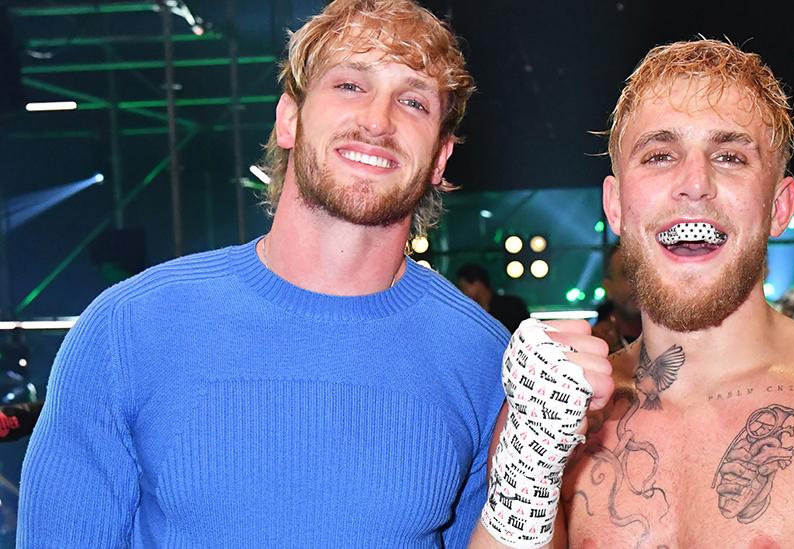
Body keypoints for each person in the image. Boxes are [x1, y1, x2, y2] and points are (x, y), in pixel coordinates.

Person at [19, 1, 510, 546]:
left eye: (413, 101)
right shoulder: (130, 328)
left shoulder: (485, 358)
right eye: (350, 85)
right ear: (289, 119)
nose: (377, 120)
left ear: (440, 159)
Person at [470, 39, 794, 548]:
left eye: (730, 156)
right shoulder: (553, 414)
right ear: (616, 204)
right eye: (660, 155)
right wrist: (520, 499)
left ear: (780, 207)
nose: (694, 183)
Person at [592, 244, 642, 352]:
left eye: (646, 273)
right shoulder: (596, 346)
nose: (640, 282)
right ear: (608, 287)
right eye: (628, 274)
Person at [456, 262, 530, 333]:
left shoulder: (512, 306)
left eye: (463, 287)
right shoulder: (470, 313)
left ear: (477, 284)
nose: (462, 292)